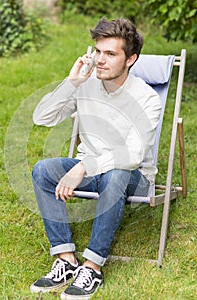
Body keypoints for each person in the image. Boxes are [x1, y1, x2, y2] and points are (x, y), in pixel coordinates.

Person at [30, 17, 161, 300]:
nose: (100, 60)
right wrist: (72, 82)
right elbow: (42, 118)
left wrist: (82, 166)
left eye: (110, 54)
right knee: (43, 170)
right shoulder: (86, 85)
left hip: (133, 178)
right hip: (91, 172)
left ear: (131, 59)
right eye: (98, 51)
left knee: (116, 173)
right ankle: (66, 260)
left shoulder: (147, 98)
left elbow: (132, 155)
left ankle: (93, 267)